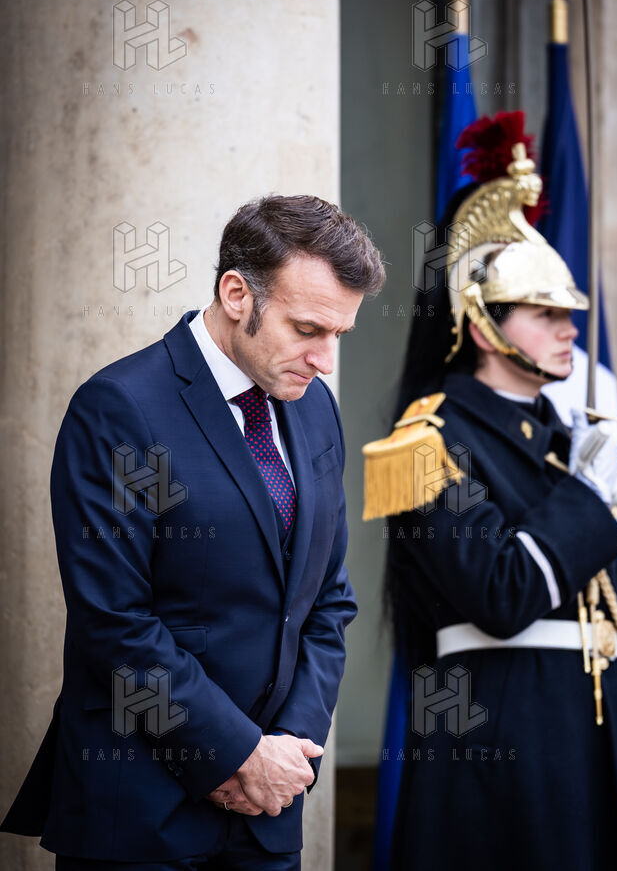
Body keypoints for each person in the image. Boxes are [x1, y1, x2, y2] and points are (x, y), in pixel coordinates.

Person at [1, 194, 385, 870]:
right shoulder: (121, 407)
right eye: (306, 328)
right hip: (140, 813)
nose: (325, 359)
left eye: (339, 335)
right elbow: (114, 621)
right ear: (237, 294)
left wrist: (287, 751)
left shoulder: (315, 408)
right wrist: (234, 755)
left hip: (269, 813)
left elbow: (327, 600)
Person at [363, 114, 617, 871]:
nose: (570, 330)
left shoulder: (565, 442)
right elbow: (501, 594)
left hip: (595, 741)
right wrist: (585, 497)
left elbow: (615, 616)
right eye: (546, 315)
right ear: (484, 326)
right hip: (501, 743)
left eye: (569, 313)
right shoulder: (427, 442)